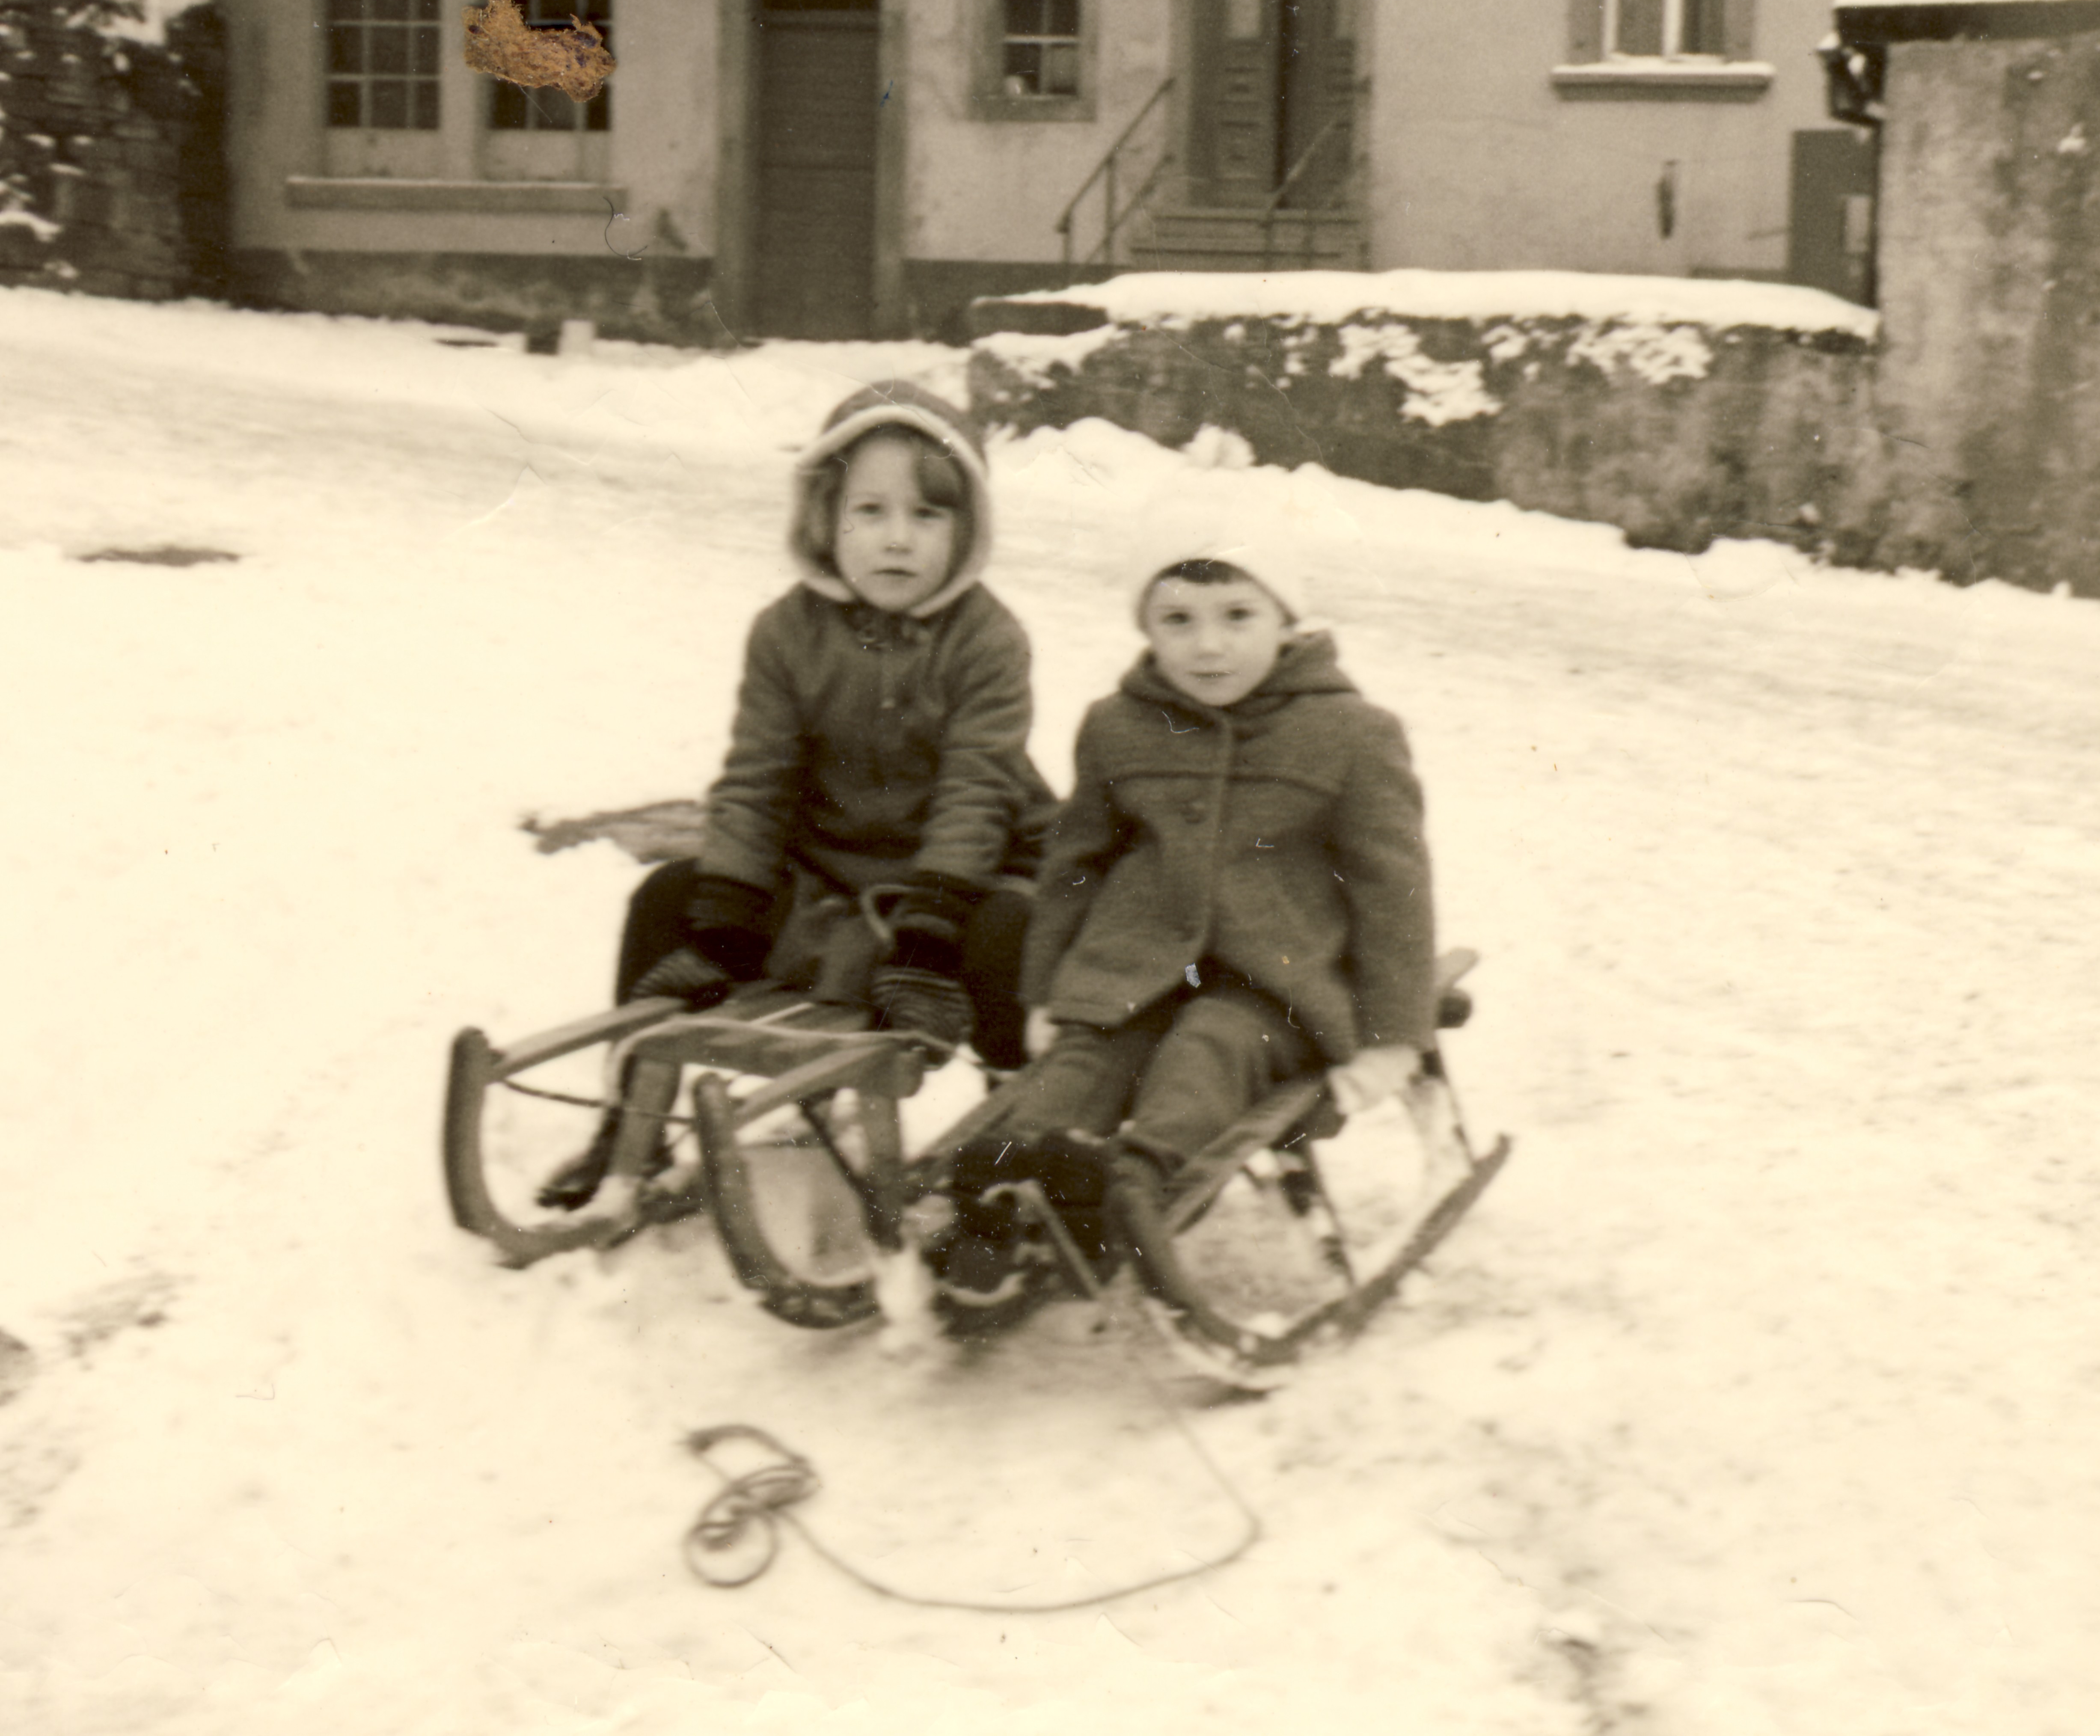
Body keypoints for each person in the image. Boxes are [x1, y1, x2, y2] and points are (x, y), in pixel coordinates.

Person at [536, 379, 1052, 1211]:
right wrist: (726, 917)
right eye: (870, 510)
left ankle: (1014, 1141)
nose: (897, 539)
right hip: (829, 878)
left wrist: (928, 935)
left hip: (958, 882)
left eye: (928, 516)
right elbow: (756, 780)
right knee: (664, 899)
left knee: (1016, 937)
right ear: (824, 515)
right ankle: (629, 1127)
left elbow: (975, 792)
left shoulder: (988, 641)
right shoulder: (785, 632)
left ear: (969, 530)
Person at [930, 522, 1435, 1323]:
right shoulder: (1116, 726)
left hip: (1277, 989)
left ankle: (1131, 1186)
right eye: (1179, 619)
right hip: (1134, 967)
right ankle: (1006, 1174)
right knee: (1087, 1056)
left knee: (1211, 1048)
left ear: (1286, 616)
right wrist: (1047, 992)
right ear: (1146, 627)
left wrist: (1395, 1038)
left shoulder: (1355, 736)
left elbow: (1394, 894)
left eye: (1238, 615)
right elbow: (1075, 868)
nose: (1209, 647)